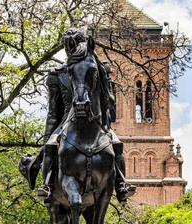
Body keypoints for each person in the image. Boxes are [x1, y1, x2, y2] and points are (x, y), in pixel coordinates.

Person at [19, 28, 136, 205]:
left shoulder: (100, 68)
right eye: (67, 46)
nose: (69, 49)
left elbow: (110, 102)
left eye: (72, 45)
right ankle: (48, 186)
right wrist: (46, 141)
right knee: (51, 145)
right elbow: (52, 113)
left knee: (117, 145)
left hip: (97, 123)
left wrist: (105, 87)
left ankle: (121, 185)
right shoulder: (56, 74)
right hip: (67, 121)